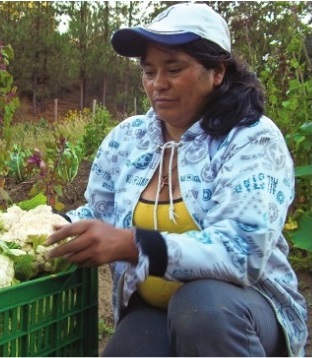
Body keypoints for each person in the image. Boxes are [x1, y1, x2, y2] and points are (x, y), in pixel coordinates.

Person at [45, 2, 308, 357]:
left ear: (217, 72)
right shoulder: (129, 138)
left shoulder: (250, 139)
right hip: (153, 306)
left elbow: (242, 251)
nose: (158, 84)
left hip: (243, 309)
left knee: (201, 307)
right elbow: (101, 211)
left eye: (174, 68)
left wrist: (134, 244)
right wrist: (44, 227)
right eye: (149, 71)